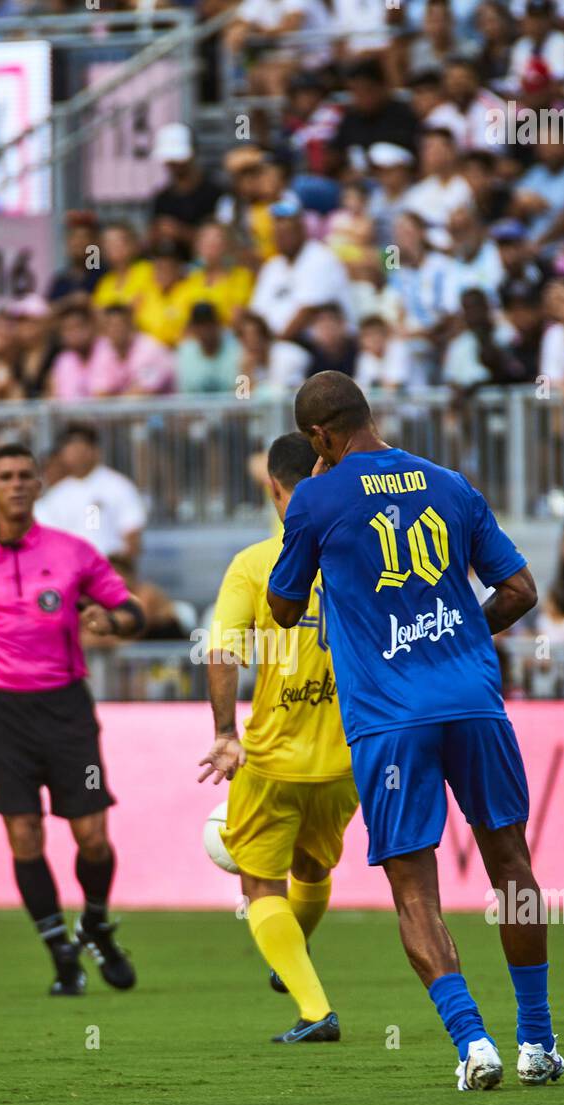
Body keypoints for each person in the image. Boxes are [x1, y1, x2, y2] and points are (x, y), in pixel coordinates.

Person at [267, 371, 564, 1091]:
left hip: (389, 717)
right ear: (369, 416)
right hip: (472, 701)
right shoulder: (450, 484)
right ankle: (539, 1042)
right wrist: (461, 631)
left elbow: (281, 608)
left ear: (320, 437)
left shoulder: (315, 497)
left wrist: (307, 505)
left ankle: (474, 1045)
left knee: (414, 890)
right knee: (512, 866)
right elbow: (521, 591)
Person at [0, 443, 145, 997]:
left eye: (26, 475)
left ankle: (94, 922)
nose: (17, 484)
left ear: (39, 485)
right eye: (5, 476)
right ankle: (61, 956)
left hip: (66, 705)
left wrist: (109, 619)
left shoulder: (75, 552)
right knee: (24, 834)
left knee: (92, 837)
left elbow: (133, 611)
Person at [198, 432, 359, 1042]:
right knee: (313, 869)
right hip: (348, 757)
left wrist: (223, 733)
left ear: (272, 486)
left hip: (271, 758)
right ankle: (293, 955)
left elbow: (223, 650)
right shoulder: (362, 554)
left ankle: (314, 1009)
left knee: (259, 883)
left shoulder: (256, 563)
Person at [34, 422, 147, 566]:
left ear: (95, 450)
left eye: (79, 446)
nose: (74, 452)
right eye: (69, 446)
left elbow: (132, 535)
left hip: (111, 571)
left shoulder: (118, 486)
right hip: (71, 573)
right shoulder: (57, 495)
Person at [249, 193, 354, 340]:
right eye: (278, 232)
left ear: (301, 230)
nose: (282, 237)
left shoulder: (320, 257)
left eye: (287, 231)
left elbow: (307, 312)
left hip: (321, 346)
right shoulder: (272, 266)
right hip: (275, 346)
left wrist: (273, 345)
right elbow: (256, 314)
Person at [46, 209, 102, 307]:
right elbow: (47, 311)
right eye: (73, 238)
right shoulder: (61, 280)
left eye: (84, 238)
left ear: (95, 243)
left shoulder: (103, 276)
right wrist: (70, 301)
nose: (78, 243)